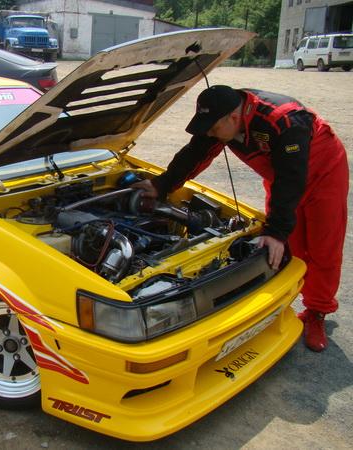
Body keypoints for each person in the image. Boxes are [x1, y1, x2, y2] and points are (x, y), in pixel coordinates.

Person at [133, 85, 349, 352]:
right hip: (280, 175)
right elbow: (195, 153)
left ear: (233, 118)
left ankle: (317, 311)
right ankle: (287, 295)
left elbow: (292, 178)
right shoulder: (223, 115)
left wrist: (276, 231)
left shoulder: (284, 121)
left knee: (322, 244)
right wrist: (161, 185)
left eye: (213, 129)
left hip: (322, 171)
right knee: (292, 245)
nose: (210, 134)